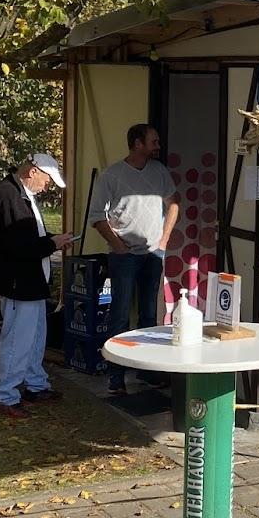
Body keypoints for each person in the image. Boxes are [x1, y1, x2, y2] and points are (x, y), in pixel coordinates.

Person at [0, 153, 79, 419]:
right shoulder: (9, 195)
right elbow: (19, 245)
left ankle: (35, 383)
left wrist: (53, 239)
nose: (47, 186)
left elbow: (29, 237)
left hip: (30, 279)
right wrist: (53, 243)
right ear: (33, 172)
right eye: (47, 180)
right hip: (19, 281)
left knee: (35, 335)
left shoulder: (19, 194)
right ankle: (6, 394)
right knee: (18, 338)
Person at [90, 123, 179, 394]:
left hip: (153, 254)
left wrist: (163, 241)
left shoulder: (159, 171)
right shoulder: (112, 176)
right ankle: (115, 377)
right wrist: (117, 245)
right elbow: (97, 216)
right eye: (154, 141)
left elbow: (173, 203)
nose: (158, 146)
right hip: (125, 256)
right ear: (138, 144)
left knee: (148, 316)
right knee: (119, 315)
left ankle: (146, 371)